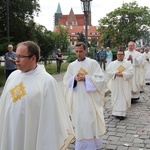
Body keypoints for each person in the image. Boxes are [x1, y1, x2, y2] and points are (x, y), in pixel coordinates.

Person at [0, 41, 75, 150]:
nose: (16, 59)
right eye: (16, 56)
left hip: (31, 136)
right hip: (10, 131)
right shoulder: (13, 76)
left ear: (33, 58)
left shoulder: (47, 81)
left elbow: (51, 119)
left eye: (21, 57)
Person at [63, 42, 106, 150]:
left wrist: (86, 78)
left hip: (90, 100)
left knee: (90, 121)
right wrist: (74, 79)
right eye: (76, 51)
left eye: (80, 51)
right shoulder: (72, 65)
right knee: (80, 121)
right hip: (77, 99)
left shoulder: (93, 63)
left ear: (85, 50)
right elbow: (66, 80)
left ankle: (92, 146)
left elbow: (101, 79)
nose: (78, 54)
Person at [106, 50, 133, 120]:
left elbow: (131, 72)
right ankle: (115, 112)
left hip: (124, 83)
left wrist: (123, 74)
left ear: (124, 55)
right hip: (116, 83)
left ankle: (122, 113)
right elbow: (108, 71)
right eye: (118, 54)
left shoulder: (128, 63)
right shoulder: (112, 64)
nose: (119, 56)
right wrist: (115, 73)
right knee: (116, 96)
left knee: (123, 97)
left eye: (121, 54)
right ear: (116, 55)